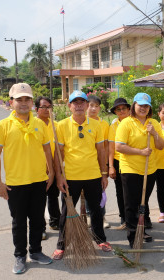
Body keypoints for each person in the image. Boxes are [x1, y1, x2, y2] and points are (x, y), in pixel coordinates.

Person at [0, 83, 54, 274]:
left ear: (32, 103)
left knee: (37, 220)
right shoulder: (3, 125)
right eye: (19, 100)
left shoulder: (39, 124)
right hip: (15, 184)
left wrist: (50, 172)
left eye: (27, 99)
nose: (24, 103)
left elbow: (46, 150)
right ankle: (20, 256)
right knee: (19, 223)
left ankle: (36, 251)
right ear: (11, 102)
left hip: (38, 181)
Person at [52, 90, 111, 260]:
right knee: (66, 212)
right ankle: (61, 245)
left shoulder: (96, 125)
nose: (78, 105)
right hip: (71, 177)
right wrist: (59, 176)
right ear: (69, 106)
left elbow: (101, 151)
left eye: (82, 102)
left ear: (86, 105)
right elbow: (59, 153)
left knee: (97, 210)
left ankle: (100, 239)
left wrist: (104, 174)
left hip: (93, 175)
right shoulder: (61, 125)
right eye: (75, 102)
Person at [115, 92, 164, 248]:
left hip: (149, 170)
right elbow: (119, 146)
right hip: (130, 169)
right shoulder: (126, 123)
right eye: (140, 105)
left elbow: (161, 145)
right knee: (131, 204)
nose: (143, 108)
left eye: (146, 106)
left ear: (149, 108)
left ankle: (141, 230)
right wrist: (140, 152)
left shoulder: (154, 123)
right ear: (134, 105)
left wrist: (155, 133)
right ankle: (132, 237)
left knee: (142, 203)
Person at [34, 96, 61, 240]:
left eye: (49, 107)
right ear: (37, 109)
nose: (46, 109)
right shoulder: (33, 124)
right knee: (39, 199)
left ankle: (55, 221)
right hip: (38, 168)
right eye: (43, 107)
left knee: (53, 196)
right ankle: (41, 228)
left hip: (54, 166)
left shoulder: (56, 125)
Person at [85, 95, 110, 229]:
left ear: (99, 108)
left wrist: (105, 165)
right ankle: (88, 215)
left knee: (101, 191)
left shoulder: (104, 124)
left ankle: (102, 215)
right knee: (86, 192)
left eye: (96, 106)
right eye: (90, 105)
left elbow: (105, 146)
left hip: (99, 163)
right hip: (85, 163)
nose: (93, 108)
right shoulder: (82, 122)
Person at [108, 97, 131, 229]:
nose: (121, 111)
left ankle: (141, 218)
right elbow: (111, 148)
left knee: (134, 191)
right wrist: (111, 166)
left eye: (124, 108)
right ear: (115, 112)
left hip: (133, 160)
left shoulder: (134, 122)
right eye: (118, 109)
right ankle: (124, 218)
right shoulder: (113, 126)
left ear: (129, 109)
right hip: (118, 161)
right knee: (120, 191)